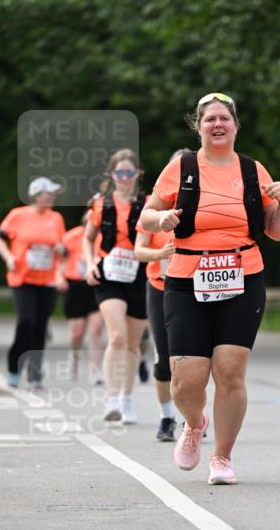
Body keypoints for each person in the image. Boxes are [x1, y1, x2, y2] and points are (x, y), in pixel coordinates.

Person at [140, 92, 280, 484]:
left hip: (243, 276)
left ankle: (222, 458)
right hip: (187, 278)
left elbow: (276, 231)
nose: (218, 125)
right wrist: (162, 220)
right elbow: (147, 215)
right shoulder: (181, 167)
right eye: (210, 119)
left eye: (225, 118)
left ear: (236, 126)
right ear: (199, 126)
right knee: (186, 379)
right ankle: (194, 423)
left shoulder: (251, 169)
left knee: (230, 372)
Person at [83, 149, 147, 423]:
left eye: (129, 172)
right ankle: (111, 398)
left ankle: (126, 397)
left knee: (133, 343)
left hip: (139, 274)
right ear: (112, 175)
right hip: (109, 275)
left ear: (137, 175)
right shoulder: (100, 204)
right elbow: (88, 239)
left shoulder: (148, 204)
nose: (124, 177)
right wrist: (89, 264)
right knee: (117, 336)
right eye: (119, 172)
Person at [134, 151, 188, 442]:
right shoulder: (153, 209)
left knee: (195, 358)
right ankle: (167, 417)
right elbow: (138, 249)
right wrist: (160, 254)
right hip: (160, 286)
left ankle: (193, 418)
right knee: (164, 357)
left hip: (194, 288)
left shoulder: (202, 202)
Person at [0, 177, 66, 388]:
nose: (52, 197)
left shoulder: (56, 218)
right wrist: (8, 257)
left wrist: (61, 253)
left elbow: (61, 248)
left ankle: (35, 374)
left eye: (53, 193)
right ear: (36, 195)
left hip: (47, 280)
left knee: (40, 326)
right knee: (26, 321)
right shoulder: (18, 215)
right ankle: (14, 367)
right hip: (22, 278)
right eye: (48, 193)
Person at [59, 210, 104, 384]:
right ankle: (74, 355)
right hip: (75, 285)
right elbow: (60, 258)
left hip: (95, 284)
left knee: (96, 328)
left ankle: (95, 370)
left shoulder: (103, 236)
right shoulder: (72, 236)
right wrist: (59, 276)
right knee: (77, 332)